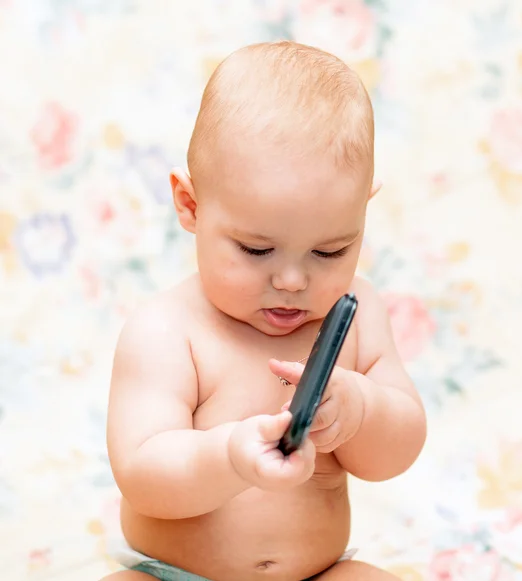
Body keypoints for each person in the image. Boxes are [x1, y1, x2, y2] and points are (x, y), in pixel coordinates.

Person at [102, 40, 426, 581]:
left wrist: (360, 411)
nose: (292, 281)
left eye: (330, 251)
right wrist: (229, 457)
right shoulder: (168, 330)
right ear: (191, 206)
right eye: (256, 250)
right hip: (175, 575)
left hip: (316, 573)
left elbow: (396, 453)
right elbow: (142, 475)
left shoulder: (357, 314)